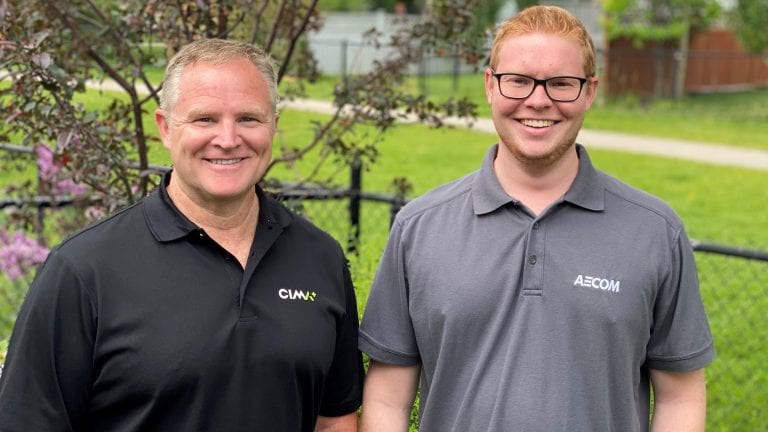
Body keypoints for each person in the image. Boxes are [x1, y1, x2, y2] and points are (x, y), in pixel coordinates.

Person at [358, 5, 714, 432]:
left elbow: (680, 395)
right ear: (490, 86)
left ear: (590, 91)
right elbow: (386, 398)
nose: (538, 99)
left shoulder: (655, 232)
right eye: (519, 81)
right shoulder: (419, 228)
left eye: (561, 83)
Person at [0, 38, 364, 431]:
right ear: (165, 128)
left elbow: (334, 419)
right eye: (204, 119)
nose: (227, 138)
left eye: (248, 118)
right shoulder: (83, 271)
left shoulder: (319, 258)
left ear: (274, 125)